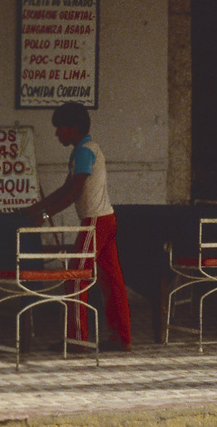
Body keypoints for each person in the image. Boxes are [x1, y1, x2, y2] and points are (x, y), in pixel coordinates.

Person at [12, 102, 132, 351]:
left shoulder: (84, 152)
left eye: (60, 129)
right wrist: (35, 208)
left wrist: (43, 216)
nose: (56, 133)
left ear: (73, 128)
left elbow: (74, 192)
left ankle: (77, 340)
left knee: (75, 279)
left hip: (95, 223)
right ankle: (122, 337)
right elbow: (65, 189)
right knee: (112, 281)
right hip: (107, 220)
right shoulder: (85, 149)